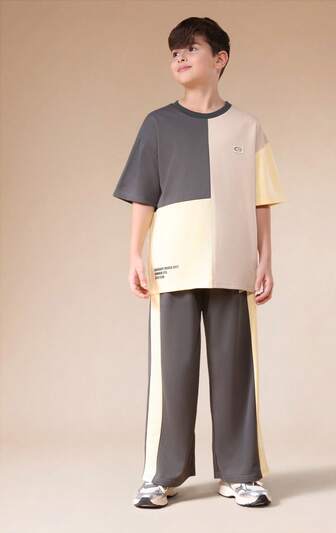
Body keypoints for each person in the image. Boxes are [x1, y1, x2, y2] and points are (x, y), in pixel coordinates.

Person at [113, 16, 287, 509]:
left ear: (220, 59)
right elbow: (143, 194)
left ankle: (241, 473)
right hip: (172, 264)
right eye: (175, 52)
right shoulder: (157, 124)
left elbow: (261, 199)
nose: (180, 58)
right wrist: (134, 253)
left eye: (191, 49)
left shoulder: (248, 127)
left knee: (235, 373)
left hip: (233, 263)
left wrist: (266, 259)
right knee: (173, 373)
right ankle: (161, 475)